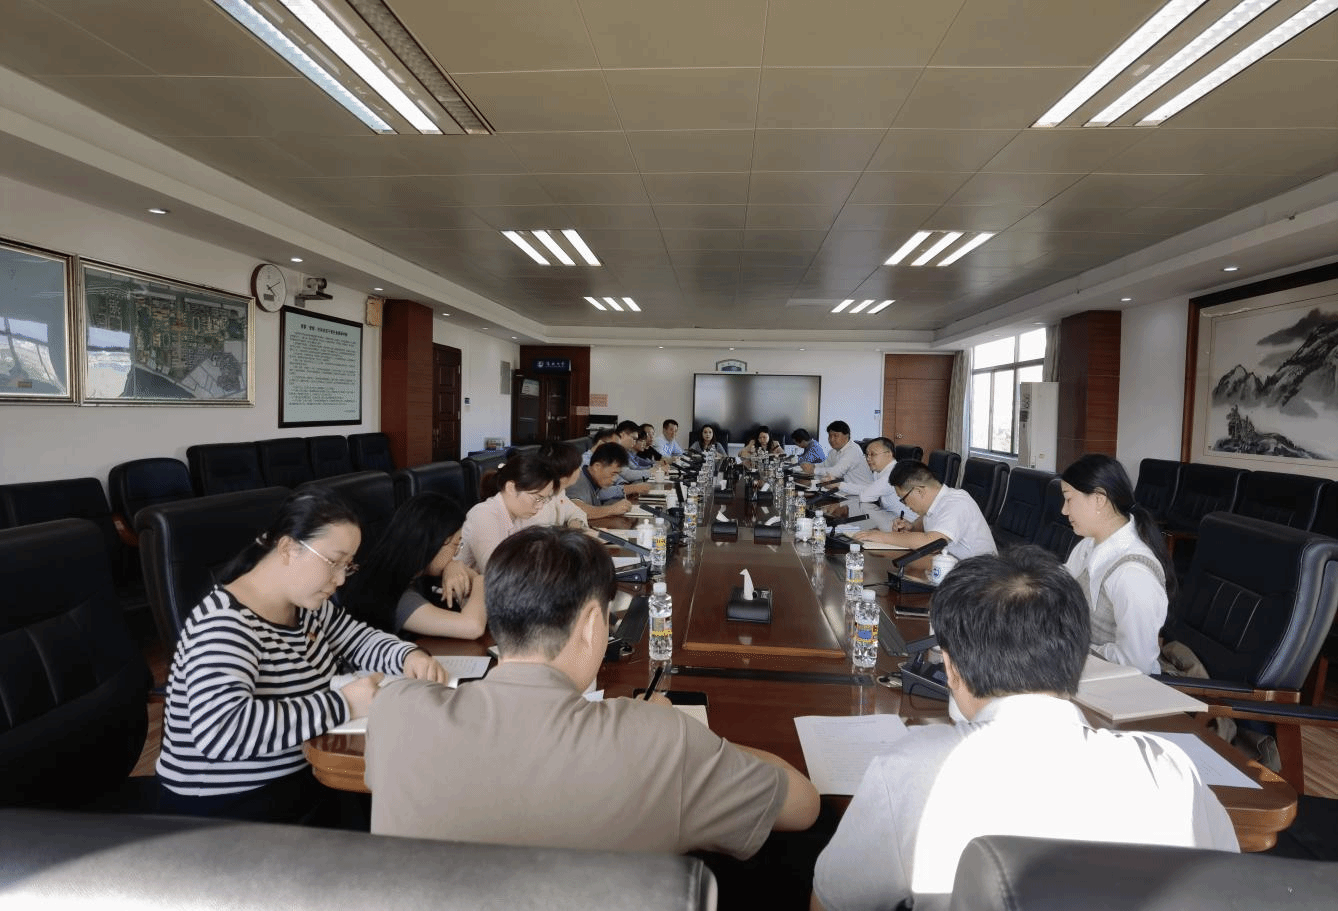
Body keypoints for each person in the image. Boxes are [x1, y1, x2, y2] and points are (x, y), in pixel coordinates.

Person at [812, 546, 1237, 911]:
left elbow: (832, 902)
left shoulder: (914, 769)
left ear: (951, 668)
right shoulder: (1169, 769)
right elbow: (1228, 892)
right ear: (1077, 656)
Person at [366, 526, 820, 856]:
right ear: (591, 625)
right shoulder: (660, 739)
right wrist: (683, 731)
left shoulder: (395, 711)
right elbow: (803, 806)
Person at [156, 487, 449, 823]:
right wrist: (344, 703)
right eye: (333, 562)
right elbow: (223, 732)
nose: (340, 579)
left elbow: (356, 639)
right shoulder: (224, 624)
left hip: (303, 774)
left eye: (348, 566)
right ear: (288, 548)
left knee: (408, 801)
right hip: (229, 808)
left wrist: (409, 656)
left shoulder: (305, 605)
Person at [1060, 453, 1175, 675]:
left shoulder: (1134, 575)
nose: (1064, 510)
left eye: (1069, 499)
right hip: (1082, 671)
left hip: (1120, 686)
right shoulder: (1088, 545)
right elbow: (1059, 589)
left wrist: (1073, 647)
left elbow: (1136, 664)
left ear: (1099, 499)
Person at [341, 492, 487, 640]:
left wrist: (454, 566)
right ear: (433, 543)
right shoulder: (390, 591)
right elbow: (473, 627)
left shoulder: (411, 575)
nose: (456, 553)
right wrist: (480, 579)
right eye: (456, 544)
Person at [853, 460, 996, 560]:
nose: (905, 505)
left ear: (919, 491)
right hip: (952, 568)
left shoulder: (956, 502)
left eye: (903, 499)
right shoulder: (936, 503)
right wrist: (911, 527)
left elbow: (932, 543)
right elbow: (926, 522)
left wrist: (882, 536)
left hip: (981, 579)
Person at [456, 454, 559, 572]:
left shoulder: (521, 514)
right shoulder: (483, 515)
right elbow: (495, 571)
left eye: (544, 500)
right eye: (537, 498)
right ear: (511, 488)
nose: (540, 506)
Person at [520, 441, 589, 530]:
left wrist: (576, 522)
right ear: (565, 476)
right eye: (577, 467)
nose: (580, 470)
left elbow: (576, 512)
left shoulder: (558, 491)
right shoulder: (537, 501)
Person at [565, 441, 634, 519]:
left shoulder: (593, 481)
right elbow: (575, 510)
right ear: (597, 467)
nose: (615, 479)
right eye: (613, 474)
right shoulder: (577, 481)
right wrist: (612, 509)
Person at [800, 420, 871, 489]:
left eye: (835, 436)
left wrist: (813, 470)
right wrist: (811, 466)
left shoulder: (853, 450)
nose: (831, 439)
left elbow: (836, 472)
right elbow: (825, 464)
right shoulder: (834, 451)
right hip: (845, 489)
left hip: (861, 491)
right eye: (830, 436)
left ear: (846, 435)